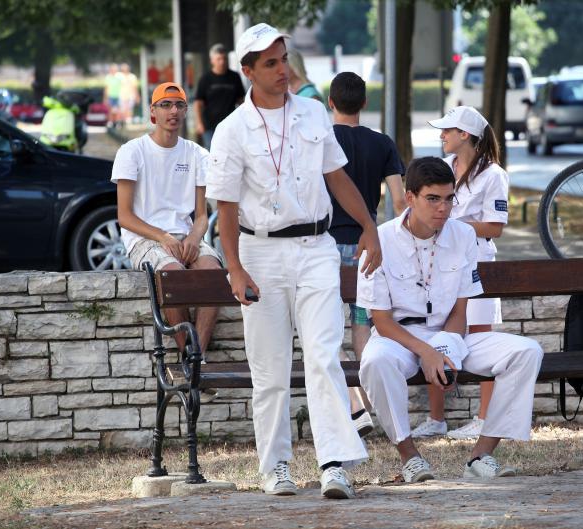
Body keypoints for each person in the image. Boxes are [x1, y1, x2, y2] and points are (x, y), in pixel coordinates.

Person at [205, 23, 382, 500]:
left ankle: (333, 464)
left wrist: (368, 226)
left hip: (317, 248)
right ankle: (277, 466)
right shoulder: (230, 131)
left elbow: (337, 176)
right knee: (270, 370)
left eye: (284, 58)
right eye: (271, 63)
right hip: (259, 252)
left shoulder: (312, 112)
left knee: (324, 357)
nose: (283, 70)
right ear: (248, 72)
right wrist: (235, 269)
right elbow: (225, 207)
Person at [357, 156, 543, 482]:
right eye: (433, 199)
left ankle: (481, 456)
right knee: (374, 362)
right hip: (397, 338)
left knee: (527, 351)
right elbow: (382, 321)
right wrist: (426, 352)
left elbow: (460, 311)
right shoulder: (381, 240)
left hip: (451, 335)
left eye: (448, 199)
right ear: (410, 198)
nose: (443, 208)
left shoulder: (463, 236)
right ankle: (410, 456)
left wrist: (443, 347)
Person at [112, 82, 222, 393]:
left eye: (179, 105)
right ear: (152, 112)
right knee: (173, 277)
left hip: (185, 235)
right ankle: (190, 357)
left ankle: (194, 357)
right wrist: (163, 237)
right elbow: (125, 216)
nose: (173, 111)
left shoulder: (198, 153)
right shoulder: (131, 152)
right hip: (145, 237)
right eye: (165, 105)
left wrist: (192, 237)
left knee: (214, 276)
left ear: (186, 111)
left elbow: (202, 216)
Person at [411, 106, 509, 440]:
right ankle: (436, 419)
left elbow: (495, 227)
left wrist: (455, 225)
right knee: (436, 333)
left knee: (481, 337)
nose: (442, 136)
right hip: (440, 261)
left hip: (479, 264)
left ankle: (484, 419)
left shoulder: (493, 175)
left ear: (464, 135)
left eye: (447, 131)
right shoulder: (445, 169)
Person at [328, 71, 406, 436]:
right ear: (364, 103)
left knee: (325, 331)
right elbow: (401, 199)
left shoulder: (321, 141)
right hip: (369, 246)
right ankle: (369, 407)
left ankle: (356, 407)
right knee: (363, 324)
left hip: (325, 245)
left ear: (330, 103)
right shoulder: (383, 143)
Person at [194, 43, 246, 148]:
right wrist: (199, 123)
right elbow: (198, 103)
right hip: (209, 126)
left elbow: (242, 101)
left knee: (230, 153)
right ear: (212, 60)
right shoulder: (205, 79)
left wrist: (245, 120)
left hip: (230, 125)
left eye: (224, 58)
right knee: (212, 153)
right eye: (218, 59)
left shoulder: (235, 77)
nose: (222, 62)